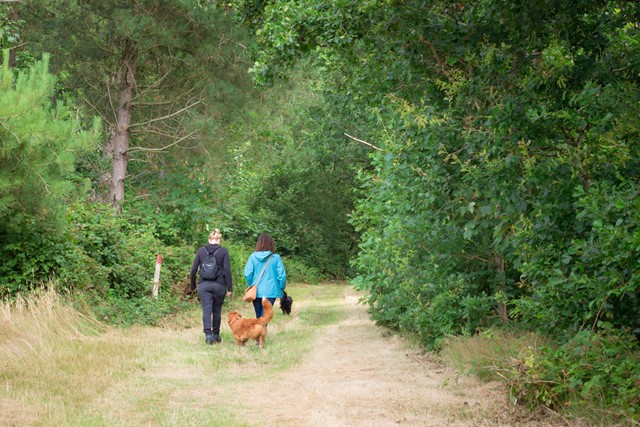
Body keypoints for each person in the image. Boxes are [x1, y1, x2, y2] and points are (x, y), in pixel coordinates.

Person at [190, 229, 232, 345]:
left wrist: (193, 285)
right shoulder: (223, 251)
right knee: (217, 310)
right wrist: (230, 288)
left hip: (204, 285)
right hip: (219, 285)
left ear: (209, 239)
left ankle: (208, 335)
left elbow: (193, 270)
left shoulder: (201, 251)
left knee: (206, 310)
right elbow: (227, 271)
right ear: (219, 240)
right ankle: (216, 335)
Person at [244, 233, 287, 319]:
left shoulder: (253, 257)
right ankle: (261, 331)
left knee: (259, 316)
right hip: (271, 291)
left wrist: (251, 285)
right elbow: (281, 276)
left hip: (256, 291)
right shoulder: (276, 258)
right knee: (265, 316)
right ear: (271, 244)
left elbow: (247, 274)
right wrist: (281, 287)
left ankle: (258, 331)